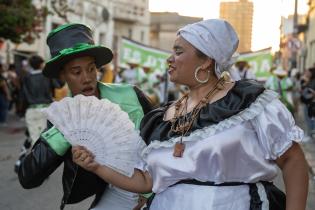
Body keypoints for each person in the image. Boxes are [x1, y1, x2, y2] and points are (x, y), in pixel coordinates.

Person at [72, 19, 309, 210]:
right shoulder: (160, 117)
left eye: (178, 51)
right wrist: (96, 165)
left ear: (205, 60)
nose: (169, 59)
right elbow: (146, 180)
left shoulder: (250, 103)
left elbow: (292, 160)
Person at [17, 23, 153, 210]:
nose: (87, 78)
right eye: (76, 72)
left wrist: (148, 193)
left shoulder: (131, 96)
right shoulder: (63, 120)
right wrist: (63, 135)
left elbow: (160, 143)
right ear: (63, 74)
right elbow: (28, 177)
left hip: (154, 188)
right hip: (110, 195)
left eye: (91, 69)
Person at [14, 55, 64, 173]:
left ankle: (22, 162)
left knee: (33, 137)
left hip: (31, 110)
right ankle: (36, 166)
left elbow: (22, 96)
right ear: (41, 64)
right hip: (47, 110)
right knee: (44, 139)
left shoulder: (26, 78)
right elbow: (59, 85)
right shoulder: (46, 76)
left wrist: (20, 112)